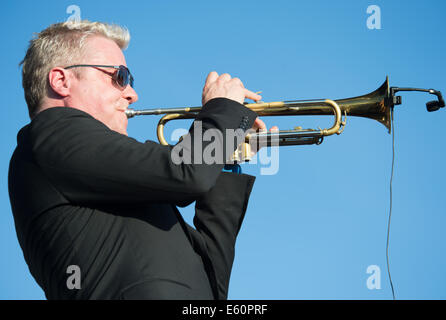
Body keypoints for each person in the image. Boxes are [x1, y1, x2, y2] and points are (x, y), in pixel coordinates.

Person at [8, 20, 275, 299]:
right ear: (61, 81)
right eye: (119, 77)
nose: (132, 93)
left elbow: (212, 282)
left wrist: (226, 159)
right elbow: (186, 171)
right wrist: (223, 110)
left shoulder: (104, 178)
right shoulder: (51, 135)